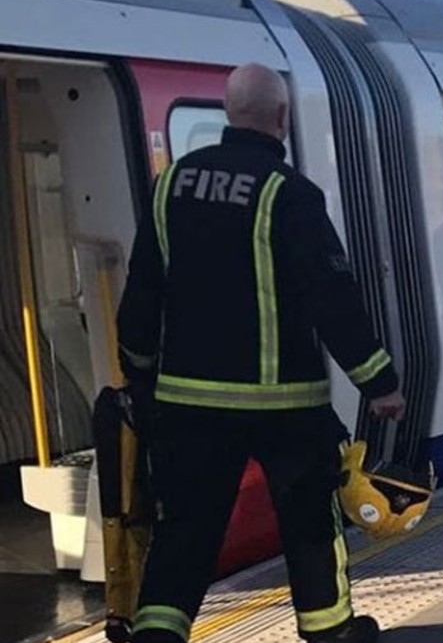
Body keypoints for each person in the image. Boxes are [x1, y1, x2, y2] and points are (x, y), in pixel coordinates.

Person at [116, 63, 405, 643]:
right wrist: (379, 381)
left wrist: (139, 373)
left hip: (188, 405)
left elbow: (141, 292)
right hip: (285, 406)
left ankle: (157, 636)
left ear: (229, 113)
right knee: (308, 530)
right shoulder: (288, 192)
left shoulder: (170, 186)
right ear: (281, 117)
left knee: (185, 535)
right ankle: (329, 632)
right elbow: (332, 295)